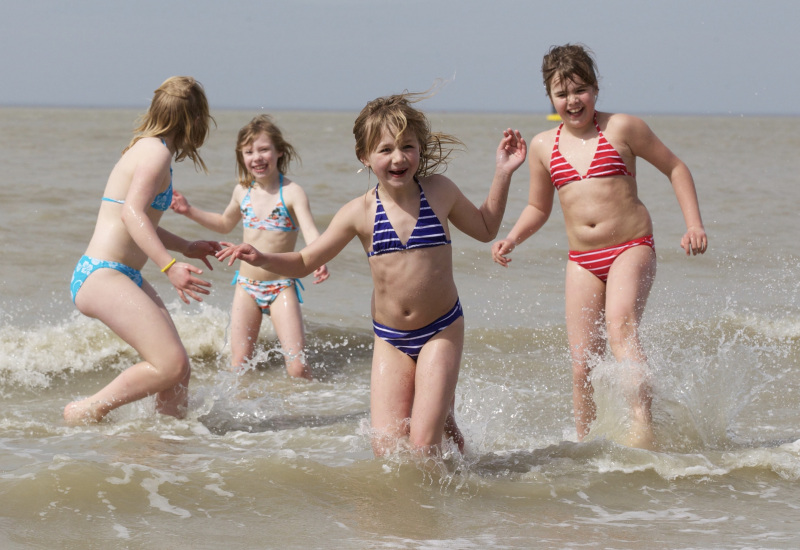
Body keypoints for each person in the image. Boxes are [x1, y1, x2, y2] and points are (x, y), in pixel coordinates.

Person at [217, 90, 527, 456]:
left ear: (420, 148)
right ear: (364, 156)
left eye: (407, 146)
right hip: (390, 338)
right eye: (385, 149)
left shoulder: (440, 192)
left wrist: (503, 173)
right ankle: (421, 472)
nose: (398, 158)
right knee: (386, 449)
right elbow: (304, 262)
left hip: (441, 329)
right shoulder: (358, 213)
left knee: (423, 444)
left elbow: (486, 227)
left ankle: (448, 501)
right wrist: (263, 257)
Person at [491, 44, 708, 449]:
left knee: (621, 327)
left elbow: (675, 167)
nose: (572, 101)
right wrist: (512, 237)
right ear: (550, 98)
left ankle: (644, 431)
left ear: (595, 89)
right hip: (582, 260)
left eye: (580, 90)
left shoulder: (622, 128)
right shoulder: (543, 146)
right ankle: (585, 445)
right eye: (562, 93)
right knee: (581, 364)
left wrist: (693, 223)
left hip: (631, 246)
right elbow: (539, 207)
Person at [64, 76, 221, 425]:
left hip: (120, 274)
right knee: (170, 363)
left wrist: (186, 246)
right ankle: (84, 411)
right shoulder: (156, 154)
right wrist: (169, 266)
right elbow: (131, 214)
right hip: (102, 274)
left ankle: (162, 446)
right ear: (195, 120)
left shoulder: (149, 148)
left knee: (178, 371)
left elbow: (139, 220)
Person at [170, 114, 329, 379]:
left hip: (280, 286)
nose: (256, 157)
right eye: (248, 151)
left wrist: (319, 258)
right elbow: (223, 223)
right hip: (246, 286)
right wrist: (188, 210)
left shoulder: (292, 192)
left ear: (279, 151)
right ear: (241, 157)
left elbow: (311, 231)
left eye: (264, 149)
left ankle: (308, 409)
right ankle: (244, 415)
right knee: (239, 365)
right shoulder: (241, 191)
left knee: (297, 366)